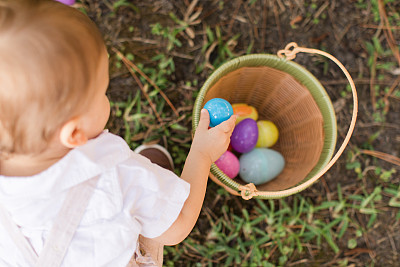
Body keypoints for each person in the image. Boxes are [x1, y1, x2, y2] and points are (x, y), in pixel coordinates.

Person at [0, 0, 236, 266]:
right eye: (101, 93)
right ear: (74, 132)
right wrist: (202, 154)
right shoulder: (115, 176)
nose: (105, 97)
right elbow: (178, 225)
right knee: (146, 199)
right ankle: (155, 190)